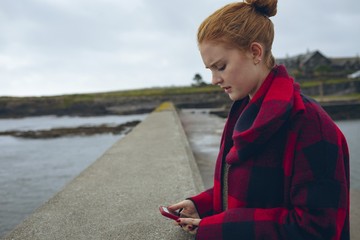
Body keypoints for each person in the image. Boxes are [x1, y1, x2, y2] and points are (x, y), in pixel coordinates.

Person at [167, 0, 350, 239]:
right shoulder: (244, 110)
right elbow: (247, 188)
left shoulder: (311, 125)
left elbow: (317, 228)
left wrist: (217, 228)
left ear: (255, 52)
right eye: (210, 69)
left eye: (220, 66)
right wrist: (202, 204)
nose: (214, 79)